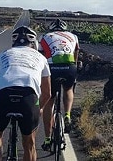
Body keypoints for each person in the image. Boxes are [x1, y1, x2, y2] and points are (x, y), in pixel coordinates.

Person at [0, 26, 51, 161]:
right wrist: (39, 108)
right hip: (28, 98)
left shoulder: (3, 55)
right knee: (29, 143)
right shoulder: (41, 58)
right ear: (33, 43)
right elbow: (47, 93)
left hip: (3, 96)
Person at [38, 18, 80, 151]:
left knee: (49, 101)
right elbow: (76, 52)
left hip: (52, 68)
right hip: (70, 66)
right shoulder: (73, 36)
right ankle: (67, 115)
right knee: (68, 89)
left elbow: (41, 56)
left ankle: (47, 138)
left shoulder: (44, 37)